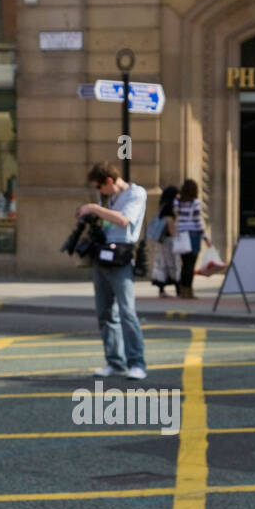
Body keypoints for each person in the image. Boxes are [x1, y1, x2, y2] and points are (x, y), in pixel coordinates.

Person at [79, 161, 147, 379]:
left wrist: (93, 208)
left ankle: (137, 363)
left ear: (109, 181)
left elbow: (124, 220)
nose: (98, 192)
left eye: (99, 187)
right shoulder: (107, 198)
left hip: (121, 258)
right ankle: (115, 361)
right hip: (102, 256)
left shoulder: (136, 194)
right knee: (105, 312)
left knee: (127, 312)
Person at [173, 178, 210, 299]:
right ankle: (188, 291)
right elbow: (198, 221)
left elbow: (175, 214)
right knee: (191, 265)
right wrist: (205, 238)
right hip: (193, 234)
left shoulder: (177, 202)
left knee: (184, 265)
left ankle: (183, 291)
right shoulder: (195, 202)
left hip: (182, 234)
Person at [149, 184, 181, 297]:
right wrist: (175, 236)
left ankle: (162, 290)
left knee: (161, 264)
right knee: (173, 264)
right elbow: (169, 222)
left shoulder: (162, 206)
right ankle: (177, 288)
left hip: (161, 240)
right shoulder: (170, 207)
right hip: (168, 240)